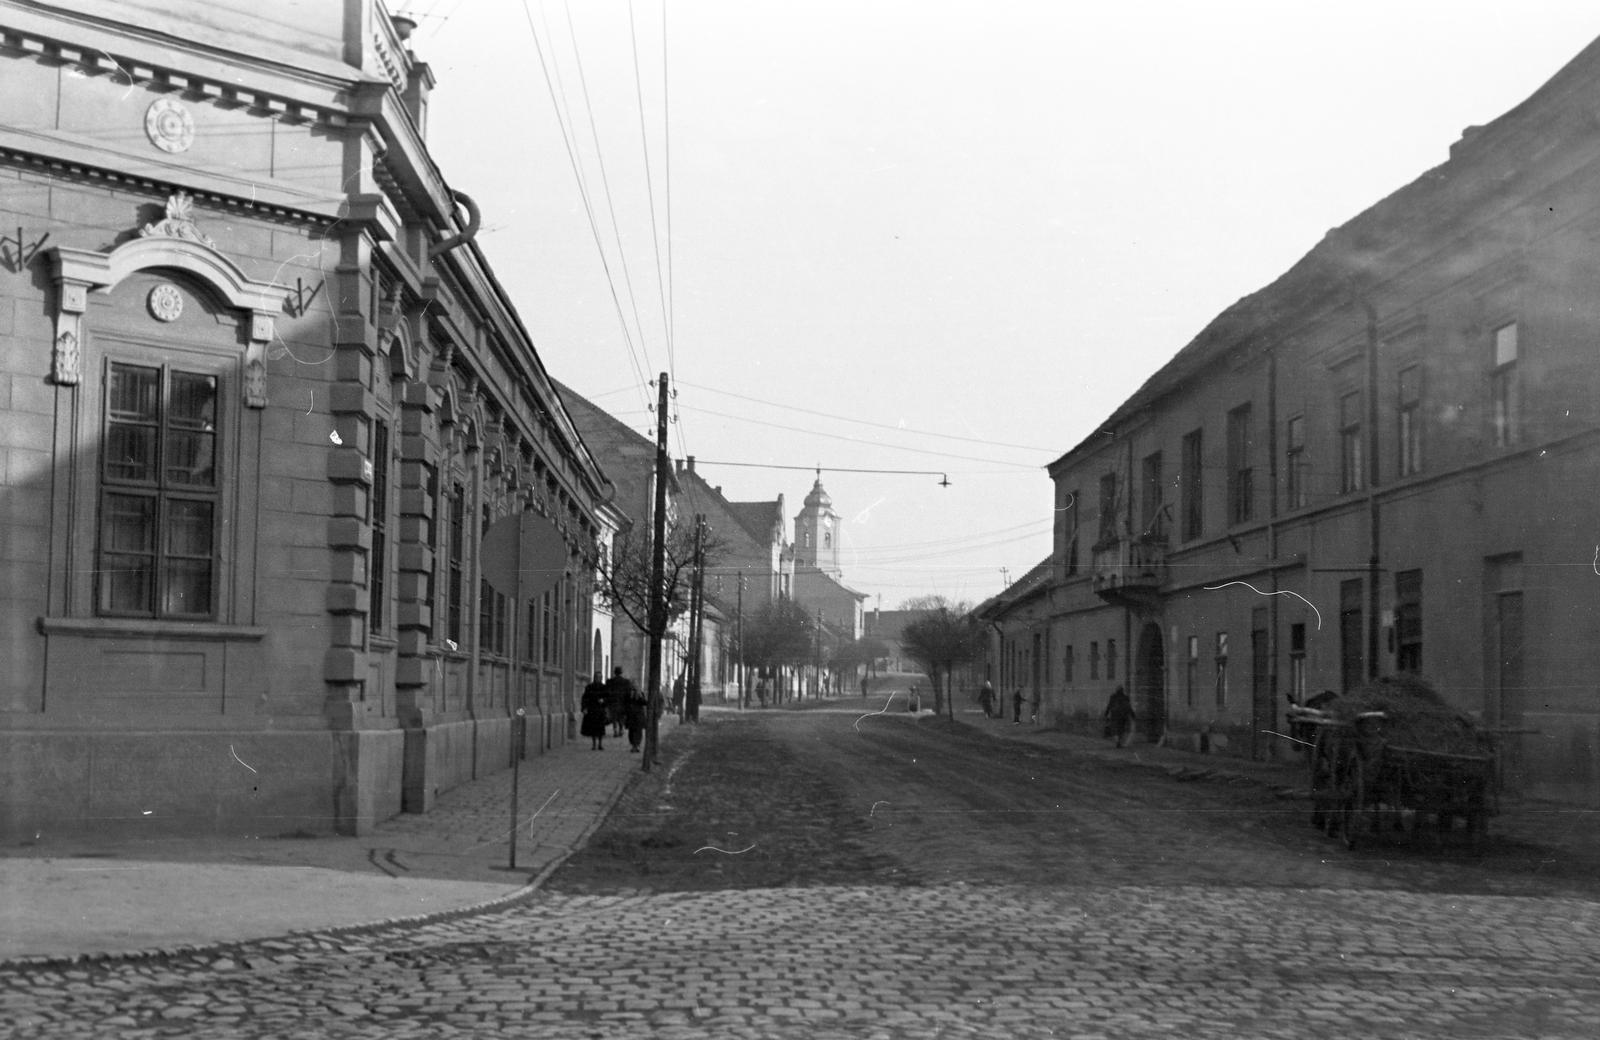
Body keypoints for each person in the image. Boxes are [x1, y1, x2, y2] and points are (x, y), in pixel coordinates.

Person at [580, 672, 609, 751]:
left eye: (599, 677)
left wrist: (603, 700)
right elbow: (585, 698)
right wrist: (584, 708)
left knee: (601, 728)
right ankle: (594, 744)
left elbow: (608, 698)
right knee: (593, 728)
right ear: (594, 677)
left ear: (601, 678)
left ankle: (600, 744)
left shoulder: (604, 687)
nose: (598, 678)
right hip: (592, 710)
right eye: (596, 677)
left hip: (600, 710)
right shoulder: (589, 687)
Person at [604, 667, 633, 739]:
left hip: (613, 702)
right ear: (621, 672)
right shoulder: (626, 682)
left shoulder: (610, 681)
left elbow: (607, 692)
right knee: (621, 717)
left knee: (614, 717)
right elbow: (628, 693)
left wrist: (608, 701)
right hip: (622, 702)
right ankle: (621, 729)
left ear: (615, 672)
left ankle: (615, 730)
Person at [624, 680, 649, 753]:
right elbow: (625, 703)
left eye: (635, 685)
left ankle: (636, 745)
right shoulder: (628, 694)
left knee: (638, 731)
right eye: (633, 685)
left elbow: (644, 703)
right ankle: (633, 745)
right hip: (631, 715)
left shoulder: (641, 693)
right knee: (632, 731)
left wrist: (640, 696)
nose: (634, 687)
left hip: (638, 715)